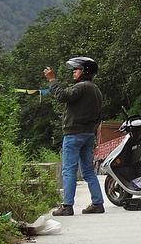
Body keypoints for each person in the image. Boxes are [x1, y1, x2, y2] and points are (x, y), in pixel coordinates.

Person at [44, 57, 105, 216]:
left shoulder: (82, 87)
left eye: (76, 69)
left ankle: (67, 206)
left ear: (85, 72)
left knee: (69, 170)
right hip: (88, 133)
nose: (74, 71)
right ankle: (97, 203)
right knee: (87, 171)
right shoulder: (95, 89)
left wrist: (52, 80)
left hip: (74, 134)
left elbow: (62, 96)